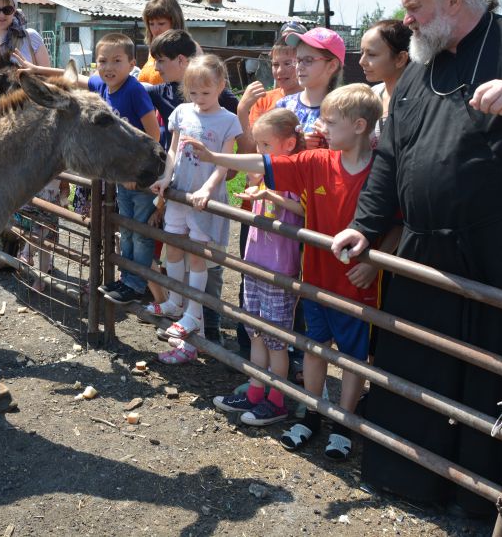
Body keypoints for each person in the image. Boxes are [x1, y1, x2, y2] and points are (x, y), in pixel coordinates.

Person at [329, 0, 502, 516]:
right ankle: (410, 476)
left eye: (415, 7)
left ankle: (486, 500)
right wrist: (365, 227)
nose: (408, 21)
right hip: (427, 250)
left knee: (494, 375)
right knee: (418, 363)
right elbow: (391, 159)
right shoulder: (418, 71)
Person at [186, 83, 383, 460]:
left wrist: (374, 260)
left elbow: (395, 222)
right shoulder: (317, 161)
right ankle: (310, 413)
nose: (321, 128)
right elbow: (263, 164)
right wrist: (215, 156)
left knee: (352, 357)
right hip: (315, 276)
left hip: (357, 284)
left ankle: (343, 422)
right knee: (313, 348)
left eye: (331, 121)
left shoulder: (380, 171)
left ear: (359, 126)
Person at [17, 33, 161, 304]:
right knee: (126, 230)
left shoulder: (134, 90)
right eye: (102, 61)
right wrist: (38, 70)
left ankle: (137, 285)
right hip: (121, 174)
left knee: (138, 232)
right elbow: (75, 77)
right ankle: (127, 279)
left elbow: (152, 134)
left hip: (138, 172)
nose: (109, 67)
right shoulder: (102, 84)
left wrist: (138, 170)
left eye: (117, 61)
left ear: (132, 63)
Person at [143, 29, 240, 344]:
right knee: (174, 247)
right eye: (194, 93)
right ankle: (175, 299)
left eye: (206, 93)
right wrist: (165, 178)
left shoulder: (228, 120)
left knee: (198, 256)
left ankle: (193, 313)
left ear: (220, 87)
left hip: (202, 197)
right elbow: (172, 151)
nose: (199, 100)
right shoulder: (182, 113)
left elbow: (224, 162)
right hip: (180, 192)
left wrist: (208, 190)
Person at [212, 108, 304, 426]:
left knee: (276, 338)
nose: (260, 152)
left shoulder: (294, 172)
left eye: (265, 145)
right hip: (255, 261)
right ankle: (254, 393)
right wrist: (257, 187)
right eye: (258, 145)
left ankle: (276, 402)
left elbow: (303, 208)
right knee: (255, 332)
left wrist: (271, 195)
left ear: (288, 144)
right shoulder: (267, 173)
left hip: (279, 268)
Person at [0, 0, 54, 273]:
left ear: (15, 8)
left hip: (30, 123)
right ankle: (1, 252)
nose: (1, 14)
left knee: (31, 190)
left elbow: (48, 77)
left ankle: (33, 255)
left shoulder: (29, 38)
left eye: (7, 8)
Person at [276, 27, 346, 149]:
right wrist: (297, 145)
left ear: (332, 66)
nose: (299, 67)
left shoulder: (344, 111)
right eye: (298, 60)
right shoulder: (284, 106)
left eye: (308, 60)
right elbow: (268, 150)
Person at [357, 19, 411, 142]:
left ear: (400, 58)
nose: (362, 61)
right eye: (362, 53)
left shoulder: (416, 99)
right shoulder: (371, 95)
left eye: (372, 54)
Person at [137, 0, 187, 85]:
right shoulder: (154, 48)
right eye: (151, 24)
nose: (155, 30)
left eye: (161, 23)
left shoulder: (190, 47)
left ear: (174, 22)